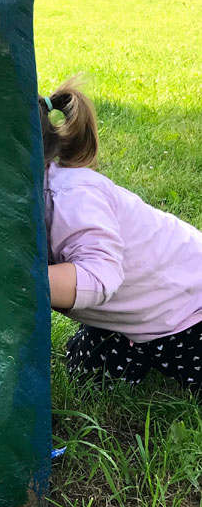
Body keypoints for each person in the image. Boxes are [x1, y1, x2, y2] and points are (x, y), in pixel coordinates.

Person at [40, 78, 202, 394]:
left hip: (187, 309)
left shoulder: (70, 197)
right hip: (128, 315)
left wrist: (16, 281)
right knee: (86, 374)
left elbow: (100, 275)